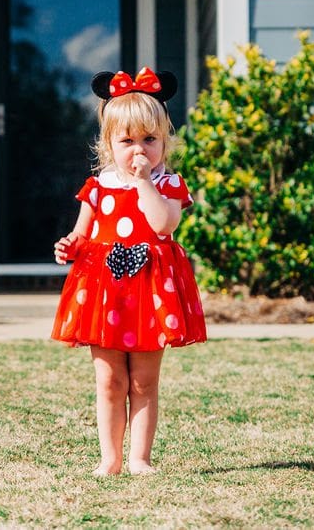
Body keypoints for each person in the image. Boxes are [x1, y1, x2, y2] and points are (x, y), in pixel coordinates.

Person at [51, 66, 207, 476]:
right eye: (127, 141)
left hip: (150, 293)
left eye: (150, 139)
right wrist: (71, 245)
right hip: (105, 293)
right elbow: (82, 234)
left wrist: (143, 184)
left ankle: (139, 458)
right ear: (108, 144)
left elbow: (162, 225)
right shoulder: (97, 187)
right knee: (109, 381)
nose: (140, 149)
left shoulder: (168, 184)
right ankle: (110, 458)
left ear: (164, 141)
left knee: (142, 381)